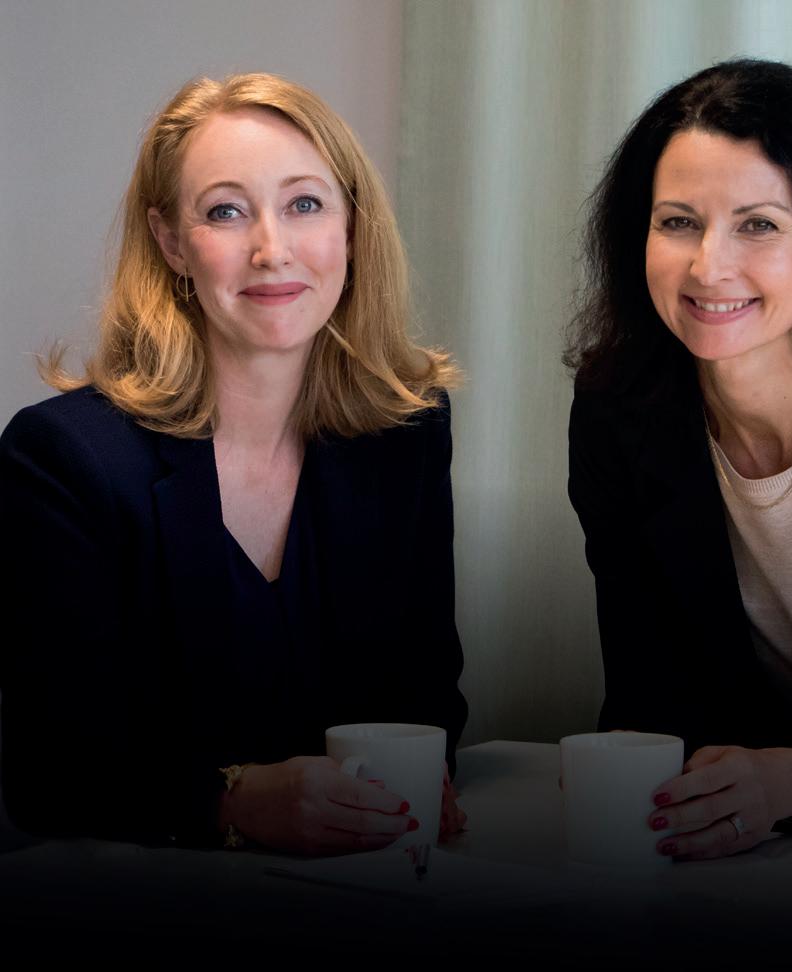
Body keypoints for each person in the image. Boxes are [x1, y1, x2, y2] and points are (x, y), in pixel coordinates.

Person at [0, 73, 467, 854]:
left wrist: (420, 780)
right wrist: (231, 802)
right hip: (147, 898)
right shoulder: (63, 459)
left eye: (305, 204)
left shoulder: (404, 433)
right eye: (225, 211)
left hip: (371, 886)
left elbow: (427, 704)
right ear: (171, 243)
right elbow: (51, 777)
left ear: (352, 230)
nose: (271, 250)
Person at [567, 59, 792, 860]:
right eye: (677, 222)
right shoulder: (617, 409)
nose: (708, 266)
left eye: (757, 225)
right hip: (768, 853)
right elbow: (645, 696)